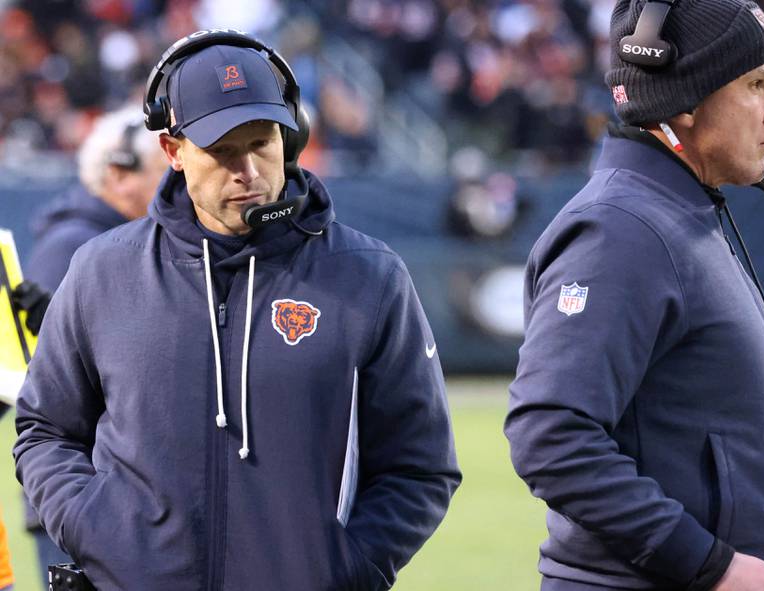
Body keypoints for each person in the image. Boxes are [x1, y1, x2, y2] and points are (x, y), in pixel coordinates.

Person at [13, 29, 460, 591]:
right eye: (222, 151)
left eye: (261, 143)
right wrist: (96, 531)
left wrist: (345, 568)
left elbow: (420, 466)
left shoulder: (369, 275)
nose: (247, 171)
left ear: (289, 139)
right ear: (173, 152)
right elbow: (45, 431)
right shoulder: (100, 271)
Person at [505, 1, 764, 590]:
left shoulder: (676, 214)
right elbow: (550, 433)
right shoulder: (621, 231)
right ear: (683, 102)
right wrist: (707, 564)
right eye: (755, 85)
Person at [9, 104, 165, 589]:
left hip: (106, 496)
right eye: (164, 169)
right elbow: (43, 379)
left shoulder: (121, 242)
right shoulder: (78, 246)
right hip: (90, 497)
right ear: (119, 176)